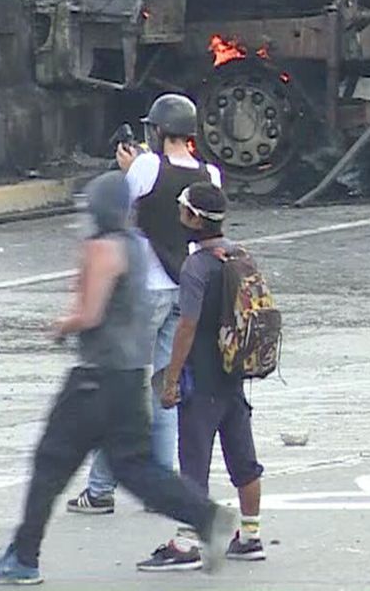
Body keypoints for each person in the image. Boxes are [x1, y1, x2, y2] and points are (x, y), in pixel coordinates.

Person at [0, 173, 235, 585]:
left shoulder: (101, 247)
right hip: (129, 377)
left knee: (50, 464)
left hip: (93, 380)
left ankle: (23, 558)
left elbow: (89, 313)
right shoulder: (136, 244)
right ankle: (206, 516)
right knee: (135, 467)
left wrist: (61, 325)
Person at [68, 93, 220, 515]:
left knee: (124, 389)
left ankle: (100, 490)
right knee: (165, 390)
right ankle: (162, 488)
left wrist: (127, 169)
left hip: (147, 291)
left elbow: (122, 211)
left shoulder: (147, 167)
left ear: (158, 130)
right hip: (188, 286)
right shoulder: (211, 173)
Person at [139, 183, 267, 570]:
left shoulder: (196, 267)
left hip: (203, 380)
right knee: (244, 460)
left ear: (194, 218)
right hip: (233, 377)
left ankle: (186, 543)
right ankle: (250, 536)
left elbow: (187, 328)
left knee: (193, 462)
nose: (180, 216)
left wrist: (173, 378)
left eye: (183, 210)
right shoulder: (237, 255)